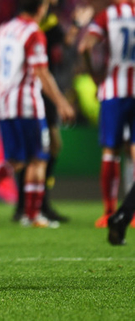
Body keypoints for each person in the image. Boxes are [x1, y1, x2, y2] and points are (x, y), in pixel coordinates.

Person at [0, 0, 75, 227]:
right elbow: (42, 72)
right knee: (39, 158)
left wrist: (0, 90)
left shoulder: (5, 29)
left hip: (5, 102)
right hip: (27, 104)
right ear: (40, 8)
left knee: (16, 160)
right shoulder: (34, 33)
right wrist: (62, 102)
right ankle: (33, 215)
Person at [12, 0, 94, 223]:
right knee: (41, 149)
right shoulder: (35, 24)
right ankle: (33, 205)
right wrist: (77, 24)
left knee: (41, 149)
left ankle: (31, 204)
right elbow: (62, 46)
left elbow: (64, 43)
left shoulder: (42, 22)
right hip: (37, 89)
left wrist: (76, 24)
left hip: (37, 89)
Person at [78, 0, 135, 228]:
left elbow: (84, 47)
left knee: (111, 150)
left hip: (113, 89)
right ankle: (131, 212)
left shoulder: (109, 15)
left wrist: (94, 75)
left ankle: (110, 212)